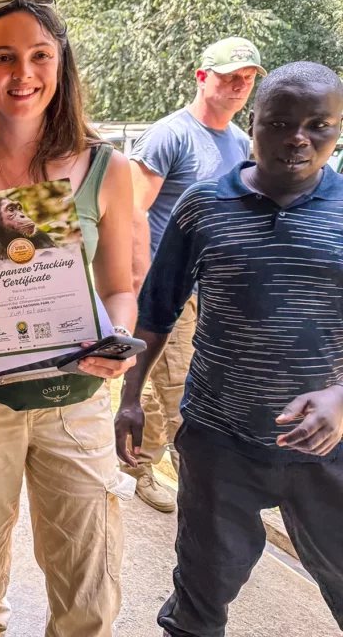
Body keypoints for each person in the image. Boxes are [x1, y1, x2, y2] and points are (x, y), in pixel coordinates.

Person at [0, 0, 138, 636]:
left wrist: (115, 338)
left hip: (77, 392)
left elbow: (119, 288)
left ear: (61, 65)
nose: (23, 73)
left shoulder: (105, 168)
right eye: (4, 57)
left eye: (40, 56)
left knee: (89, 589)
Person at [116, 61, 343, 635]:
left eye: (319, 125)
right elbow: (155, 311)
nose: (298, 138)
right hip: (220, 442)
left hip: (331, 450)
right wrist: (131, 398)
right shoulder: (202, 206)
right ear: (254, 124)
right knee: (199, 599)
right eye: (280, 122)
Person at [125, 37, 266, 512]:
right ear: (202, 77)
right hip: (168, 285)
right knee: (177, 383)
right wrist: (141, 284)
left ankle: (166, 462)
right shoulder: (171, 135)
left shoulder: (242, 143)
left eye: (247, 79)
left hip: (215, 288)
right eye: (229, 76)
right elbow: (129, 212)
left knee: (197, 384)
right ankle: (146, 467)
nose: (239, 86)